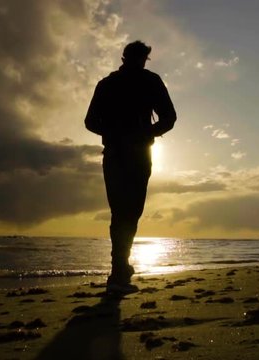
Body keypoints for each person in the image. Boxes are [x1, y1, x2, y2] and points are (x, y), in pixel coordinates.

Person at [85, 40, 177, 294]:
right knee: (127, 212)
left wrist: (129, 133)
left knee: (124, 212)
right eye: (141, 59)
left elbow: (91, 122)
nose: (140, 64)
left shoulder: (110, 84)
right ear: (135, 58)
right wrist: (144, 133)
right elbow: (169, 118)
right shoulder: (141, 82)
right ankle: (119, 272)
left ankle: (120, 270)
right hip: (129, 153)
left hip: (121, 152)